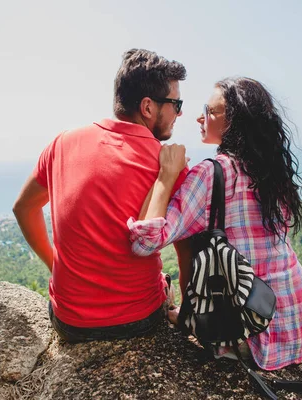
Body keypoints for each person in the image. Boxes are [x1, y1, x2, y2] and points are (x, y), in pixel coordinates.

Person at [128, 77, 302, 370]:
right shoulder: (271, 169)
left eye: (209, 110)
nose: (199, 116)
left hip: (254, 332)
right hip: (299, 320)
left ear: (234, 122)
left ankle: (187, 315)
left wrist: (166, 174)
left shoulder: (211, 174)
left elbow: (145, 243)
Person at [13, 49, 189, 342]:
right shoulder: (168, 163)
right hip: (136, 320)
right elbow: (187, 253)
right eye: (176, 103)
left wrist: (55, 265)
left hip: (68, 320)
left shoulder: (61, 143)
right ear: (148, 107)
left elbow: (23, 208)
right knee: (164, 284)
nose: (180, 113)